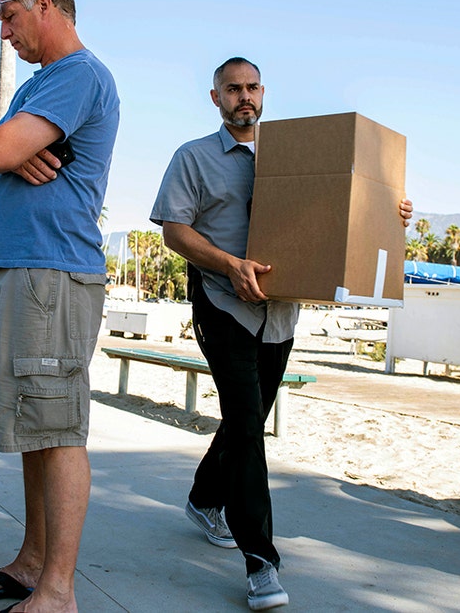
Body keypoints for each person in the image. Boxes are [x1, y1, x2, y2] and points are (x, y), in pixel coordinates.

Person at [150, 57, 412, 611]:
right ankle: (261, 562)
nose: (243, 97)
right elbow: (175, 230)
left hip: (281, 312)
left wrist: (390, 209)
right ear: (215, 97)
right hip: (223, 305)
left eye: (251, 88)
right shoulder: (193, 157)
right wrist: (228, 264)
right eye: (232, 90)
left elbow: (343, 211)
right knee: (248, 427)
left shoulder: (299, 157)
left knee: (247, 418)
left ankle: (203, 497)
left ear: (262, 93)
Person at [0, 0, 119, 613]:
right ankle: (31, 562)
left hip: (55, 273)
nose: (3, 32)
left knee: (59, 428)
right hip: (25, 272)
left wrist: (0, 152)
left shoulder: (78, 76)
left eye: (7, 14)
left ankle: (58, 590)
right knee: (34, 426)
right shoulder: (41, 87)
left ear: (44, 3)